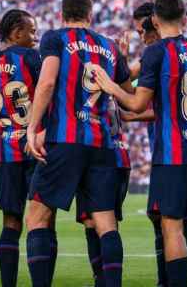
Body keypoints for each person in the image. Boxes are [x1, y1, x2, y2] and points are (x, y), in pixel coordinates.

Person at [93, 0, 187, 287]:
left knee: (172, 227)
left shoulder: (155, 53)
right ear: (185, 18)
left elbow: (137, 104)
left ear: (154, 21)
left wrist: (110, 86)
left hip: (173, 154)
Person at [25, 0, 132, 286]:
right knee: (105, 222)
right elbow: (127, 95)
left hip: (65, 139)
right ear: (91, 15)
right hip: (102, 143)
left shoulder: (55, 38)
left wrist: (33, 128)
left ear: (62, 14)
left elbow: (46, 82)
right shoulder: (110, 46)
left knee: (37, 216)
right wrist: (123, 59)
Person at [0, 9, 45, 286]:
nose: (36, 37)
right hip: (36, 146)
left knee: (11, 222)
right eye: (32, 31)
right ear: (16, 33)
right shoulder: (31, 57)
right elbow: (47, 91)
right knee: (41, 221)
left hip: (7, 149)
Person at [76, 96, 131, 287]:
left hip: (100, 156)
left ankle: (106, 282)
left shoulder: (85, 81)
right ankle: (102, 281)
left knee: (103, 225)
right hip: (120, 156)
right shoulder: (109, 74)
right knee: (96, 223)